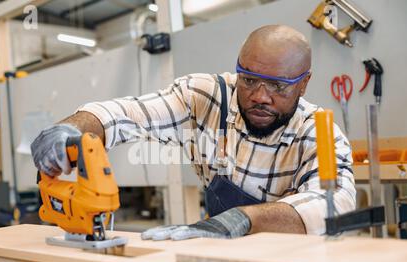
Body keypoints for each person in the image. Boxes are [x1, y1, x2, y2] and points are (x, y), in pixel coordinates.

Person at [31, 25, 356, 241]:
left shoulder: (318, 131)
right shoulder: (206, 96)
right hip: (223, 258)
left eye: (276, 86)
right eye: (249, 79)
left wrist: (244, 219)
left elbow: (333, 205)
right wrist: (73, 128)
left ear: (303, 83)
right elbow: (128, 114)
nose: (259, 96)